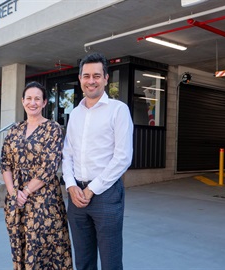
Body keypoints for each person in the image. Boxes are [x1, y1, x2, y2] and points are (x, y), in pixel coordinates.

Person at [62, 53, 133, 270]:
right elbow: (67, 154)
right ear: (80, 78)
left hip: (106, 194)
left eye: (96, 75)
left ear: (105, 78)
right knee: (83, 260)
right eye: (86, 76)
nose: (91, 80)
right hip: (76, 197)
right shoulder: (74, 114)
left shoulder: (118, 110)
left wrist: (91, 190)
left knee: (110, 261)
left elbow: (123, 157)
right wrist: (71, 186)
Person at [1, 81, 73, 269]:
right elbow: (5, 163)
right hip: (16, 201)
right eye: (29, 98)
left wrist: (24, 192)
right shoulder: (14, 130)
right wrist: (13, 193)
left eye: (37, 99)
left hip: (44, 201)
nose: (32, 103)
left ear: (44, 103)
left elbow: (49, 167)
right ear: (23, 101)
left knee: (43, 250)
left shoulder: (53, 129)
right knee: (20, 247)